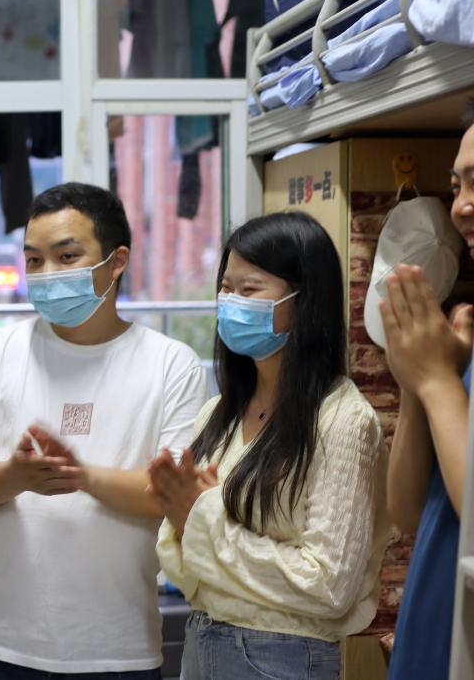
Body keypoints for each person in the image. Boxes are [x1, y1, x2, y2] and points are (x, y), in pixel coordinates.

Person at [0, 182, 207, 679]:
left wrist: (80, 476)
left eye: (66, 257)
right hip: (3, 643)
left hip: (119, 649)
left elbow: (171, 496)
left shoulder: (172, 364)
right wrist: (14, 476)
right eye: (34, 260)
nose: (47, 274)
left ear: (117, 261)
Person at [150, 211, 391, 680]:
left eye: (249, 289)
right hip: (203, 640)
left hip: (280, 657)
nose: (230, 302)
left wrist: (201, 518)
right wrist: (185, 520)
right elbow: (183, 566)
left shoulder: (343, 420)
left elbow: (328, 585)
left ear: (303, 301)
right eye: (225, 288)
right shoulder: (217, 413)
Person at [384, 111, 474, 680]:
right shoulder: (466, 334)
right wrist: (417, 384)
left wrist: (438, 382)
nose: (461, 206)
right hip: (432, 639)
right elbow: (409, 510)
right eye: (457, 185)